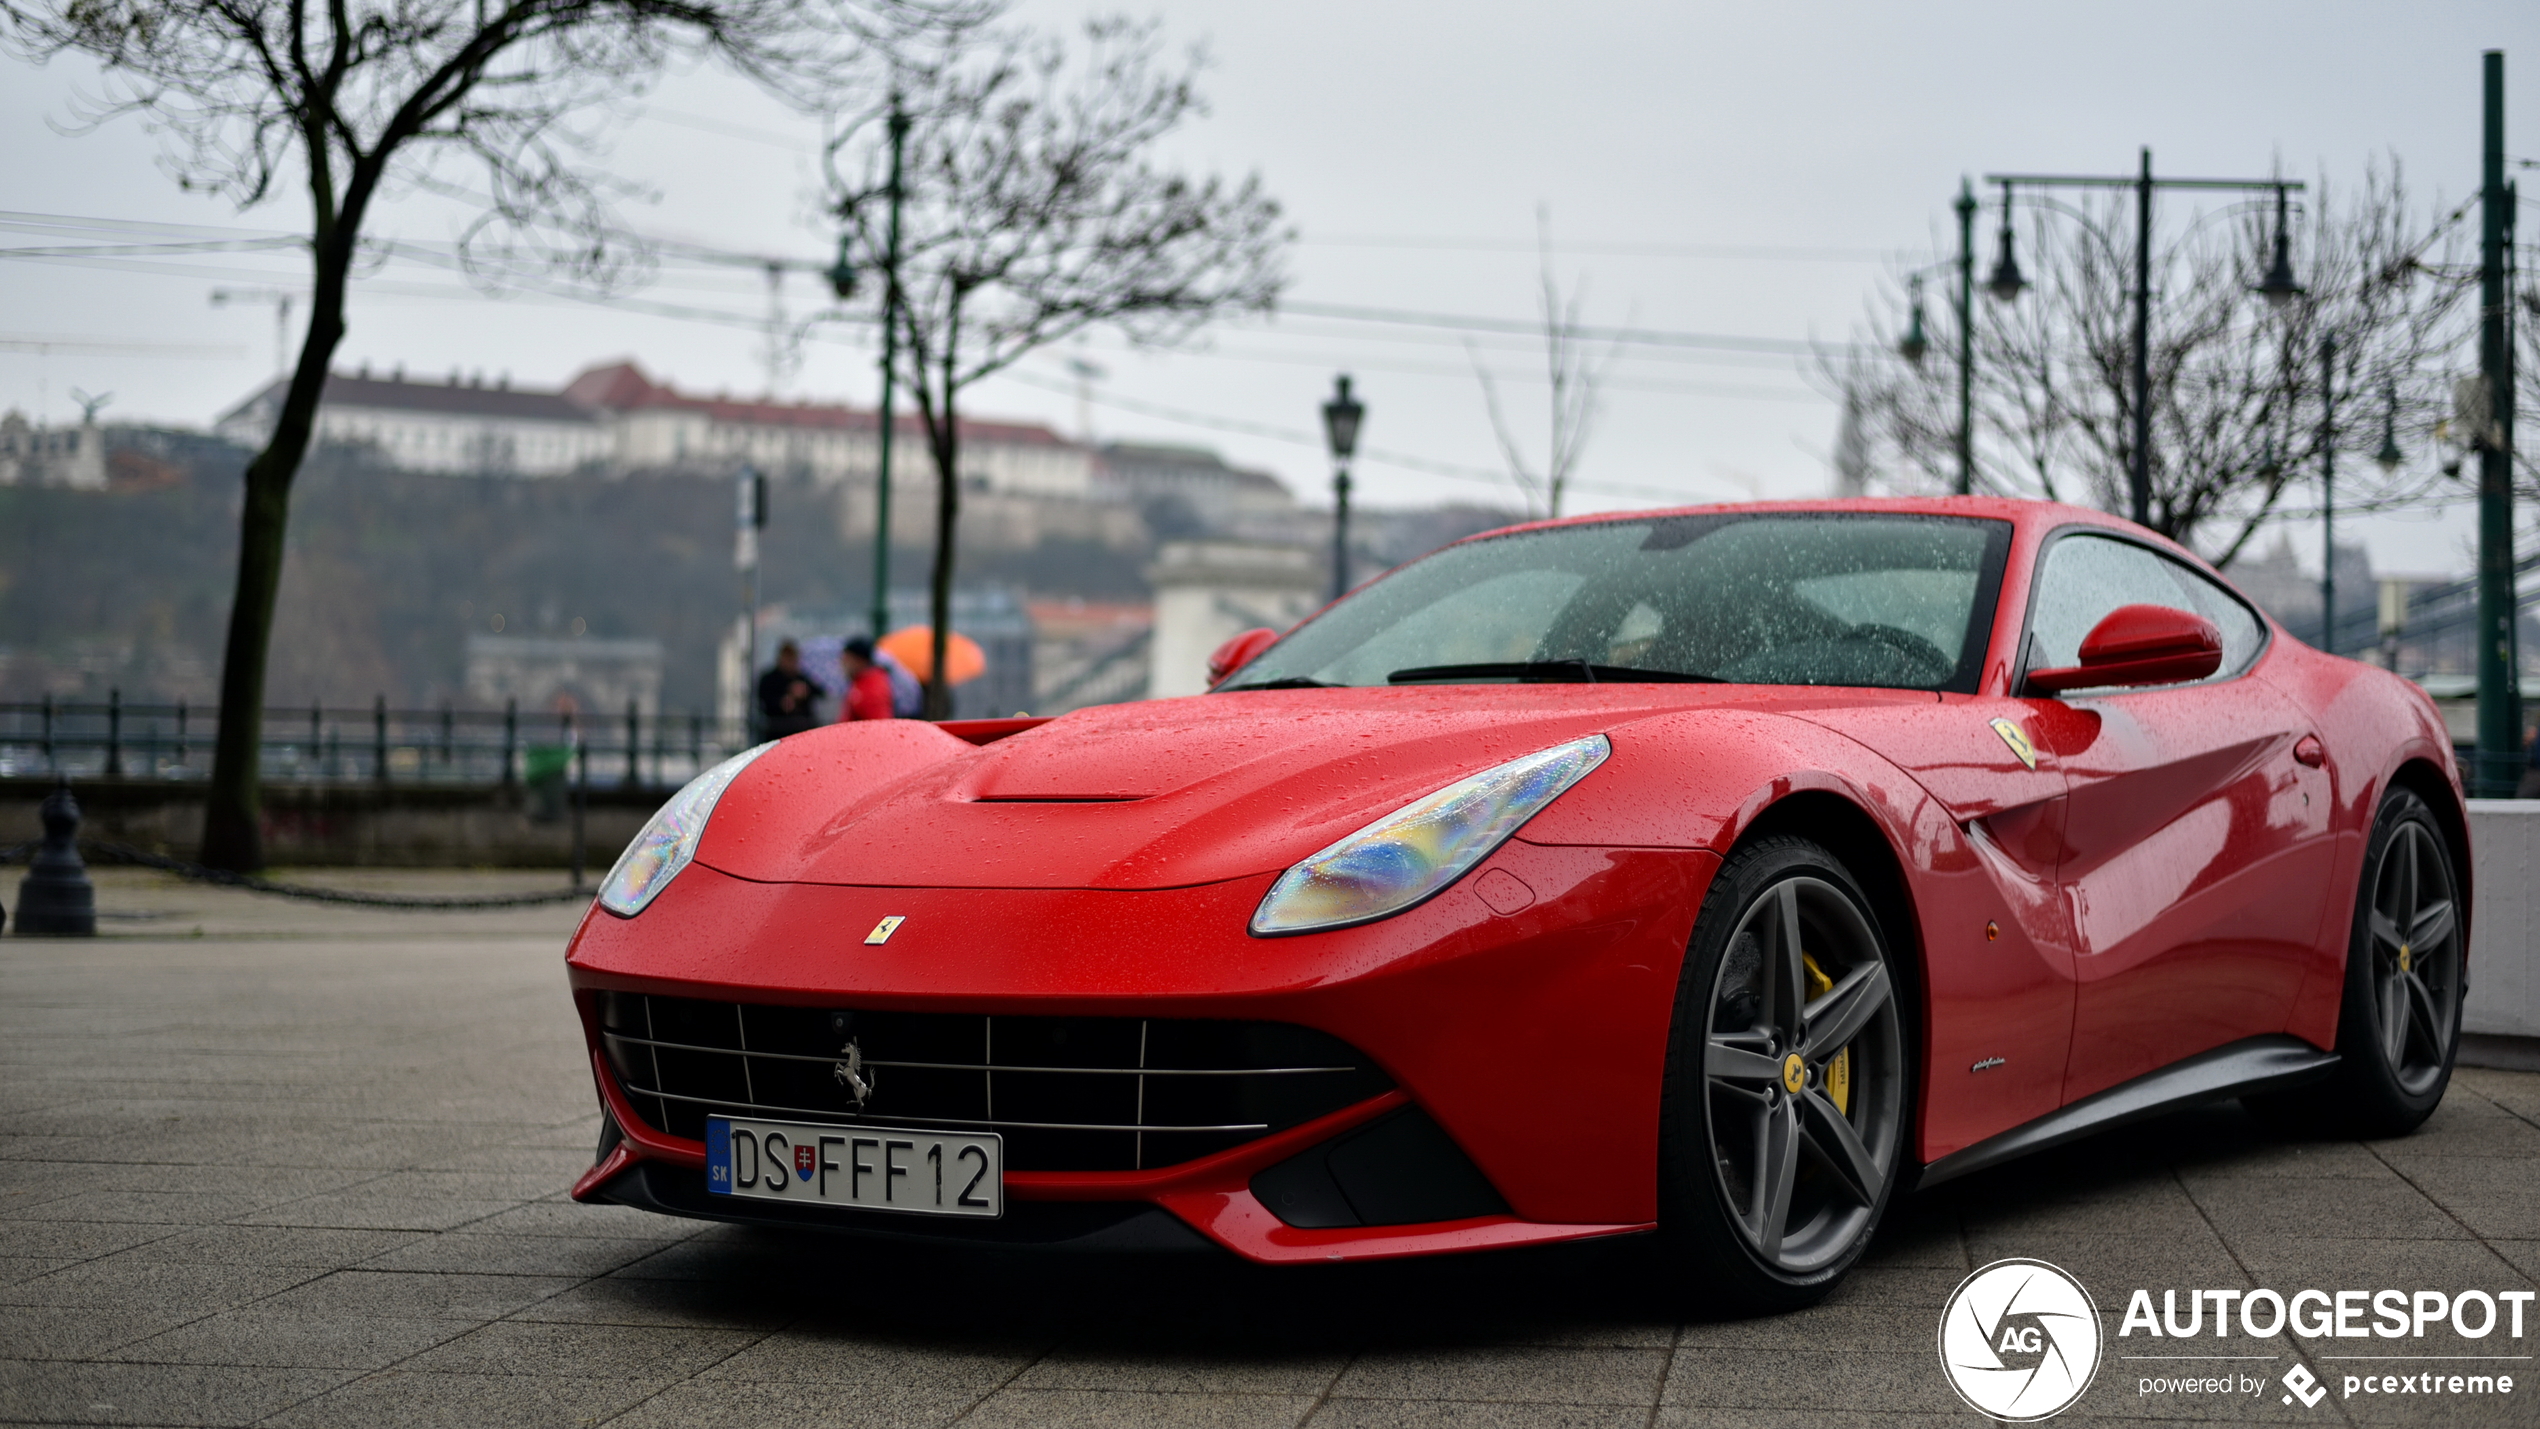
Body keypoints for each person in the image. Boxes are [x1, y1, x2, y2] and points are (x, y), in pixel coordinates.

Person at [757, 641, 822, 738]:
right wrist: (782, 703)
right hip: (776, 730)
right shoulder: (769, 679)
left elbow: (820, 693)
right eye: (788, 659)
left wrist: (804, 691)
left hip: (801, 730)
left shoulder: (801, 678)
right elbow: (764, 700)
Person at [840, 637, 897, 721]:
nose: (842, 664)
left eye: (846, 659)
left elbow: (879, 725)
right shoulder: (860, 682)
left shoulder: (872, 688)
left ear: (859, 660)